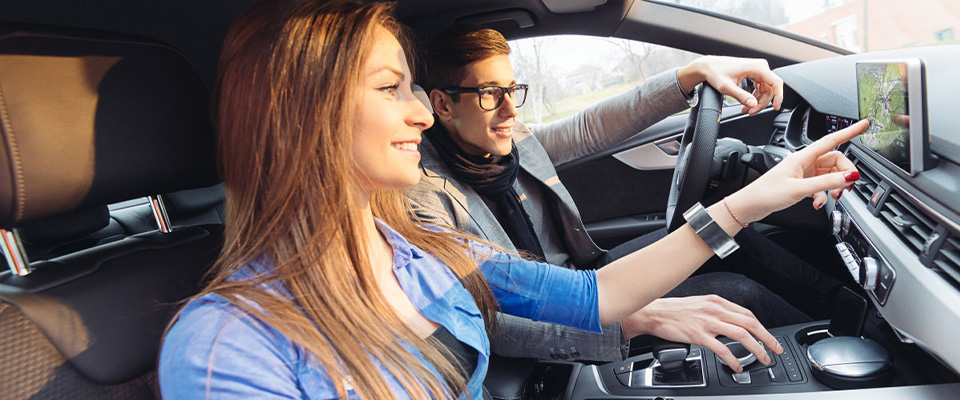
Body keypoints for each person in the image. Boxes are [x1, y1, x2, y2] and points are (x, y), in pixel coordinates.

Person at [158, 0, 867, 398]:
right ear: (304, 115)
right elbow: (546, 319)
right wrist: (641, 317)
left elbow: (593, 292)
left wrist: (745, 197)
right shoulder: (224, 348)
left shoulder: (418, 249)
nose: (419, 115)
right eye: (391, 89)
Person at [407, 26, 845, 362]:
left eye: (512, 90)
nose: (509, 109)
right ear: (442, 105)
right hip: (562, 323)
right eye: (489, 93)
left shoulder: (508, 139)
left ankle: (846, 315)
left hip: (586, 277)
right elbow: (493, 323)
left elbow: (591, 127)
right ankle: (839, 358)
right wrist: (631, 321)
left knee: (725, 237)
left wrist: (691, 74)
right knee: (737, 293)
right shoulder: (423, 200)